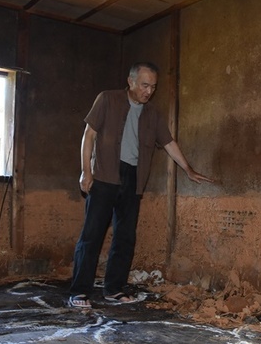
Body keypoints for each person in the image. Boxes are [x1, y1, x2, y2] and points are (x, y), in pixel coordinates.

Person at [69, 62, 212, 308]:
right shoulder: (107, 99)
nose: (149, 91)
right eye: (145, 85)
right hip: (104, 174)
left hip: (133, 179)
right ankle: (79, 292)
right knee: (92, 235)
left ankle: (114, 289)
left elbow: (168, 143)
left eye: (153, 87)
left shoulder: (153, 114)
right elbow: (89, 134)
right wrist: (86, 171)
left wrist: (188, 169)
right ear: (131, 82)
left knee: (125, 237)